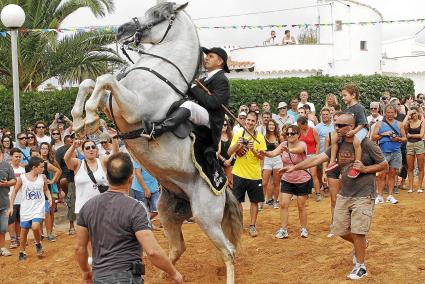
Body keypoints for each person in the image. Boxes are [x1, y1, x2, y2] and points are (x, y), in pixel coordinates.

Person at [282, 113, 388, 280]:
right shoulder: (337, 145)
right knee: (339, 230)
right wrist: (294, 168)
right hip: (345, 193)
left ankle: (361, 266)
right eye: (335, 125)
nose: (336, 128)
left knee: (358, 231)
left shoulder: (366, 144)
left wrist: (364, 169)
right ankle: (360, 245)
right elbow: (316, 159)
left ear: (351, 127)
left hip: (363, 194)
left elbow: (384, 165)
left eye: (340, 125)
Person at [75, 152, 182, 283]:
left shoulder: (87, 207)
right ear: (131, 179)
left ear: (107, 178)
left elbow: (79, 248)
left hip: (99, 278)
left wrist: (86, 270)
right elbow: (152, 251)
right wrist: (174, 273)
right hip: (126, 278)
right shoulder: (136, 208)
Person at [144, 47, 230, 154]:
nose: (206, 58)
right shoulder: (204, 79)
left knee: (189, 105)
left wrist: (194, 88)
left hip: (211, 119)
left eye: (210, 56)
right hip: (201, 113)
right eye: (206, 56)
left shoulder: (222, 79)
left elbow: (213, 103)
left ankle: (158, 130)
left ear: (220, 61)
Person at [261, 125, 310, 238]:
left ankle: (303, 228)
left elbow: (299, 150)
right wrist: (264, 153)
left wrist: (289, 150)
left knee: (301, 206)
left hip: (302, 179)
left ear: (298, 135)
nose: (289, 135)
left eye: (292, 133)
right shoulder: (283, 144)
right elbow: (273, 153)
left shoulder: (302, 144)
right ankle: (283, 229)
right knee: (283, 204)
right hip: (287, 179)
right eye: (287, 133)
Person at [228, 111, 266, 237]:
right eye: (248, 120)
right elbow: (229, 152)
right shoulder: (238, 134)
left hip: (254, 174)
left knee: (254, 201)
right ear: (245, 120)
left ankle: (253, 226)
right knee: (237, 201)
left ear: (256, 123)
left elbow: (262, 157)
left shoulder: (259, 137)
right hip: (239, 173)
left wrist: (253, 150)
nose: (249, 122)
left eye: (252, 121)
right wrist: (238, 145)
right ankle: (239, 225)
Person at [9, 156, 52, 261]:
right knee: (24, 232)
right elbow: (14, 192)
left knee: (35, 226)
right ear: (34, 167)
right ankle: (22, 251)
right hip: (26, 208)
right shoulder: (22, 178)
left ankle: (38, 243)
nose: (43, 169)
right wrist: (11, 206)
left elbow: (46, 189)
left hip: (38, 207)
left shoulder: (43, 177)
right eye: (41, 167)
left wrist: (50, 198)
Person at [326, 85, 369, 179]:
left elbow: (362, 123)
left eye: (345, 95)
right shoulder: (348, 108)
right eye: (342, 95)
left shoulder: (359, 107)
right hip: (351, 129)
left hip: (361, 129)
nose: (343, 97)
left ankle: (357, 166)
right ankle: (333, 161)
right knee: (334, 137)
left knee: (356, 141)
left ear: (353, 95)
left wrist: (354, 132)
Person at [372, 104, 406, 205]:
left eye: (392, 112)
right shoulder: (379, 124)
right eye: (388, 112)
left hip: (396, 151)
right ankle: (380, 196)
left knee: (392, 174)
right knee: (381, 175)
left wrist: (398, 139)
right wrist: (384, 134)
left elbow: (405, 138)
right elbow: (373, 137)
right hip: (383, 152)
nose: (390, 114)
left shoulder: (399, 124)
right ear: (384, 113)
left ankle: (390, 196)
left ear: (395, 113)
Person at [64, 139, 109, 216]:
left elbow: (116, 155)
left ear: (96, 149)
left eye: (93, 147)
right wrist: (73, 146)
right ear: (83, 151)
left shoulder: (102, 161)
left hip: (103, 208)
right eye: (87, 148)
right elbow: (66, 159)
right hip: (83, 208)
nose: (91, 149)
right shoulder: (78, 163)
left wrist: (114, 138)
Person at [39, 142, 61, 242]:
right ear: (40, 149)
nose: (44, 150)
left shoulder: (52, 161)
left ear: (49, 150)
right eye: (42, 148)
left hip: (52, 189)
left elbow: (59, 171)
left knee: (51, 211)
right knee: (40, 211)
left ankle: (50, 231)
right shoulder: (37, 161)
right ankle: (41, 233)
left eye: (46, 148)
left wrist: (53, 181)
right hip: (40, 190)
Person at [55, 134, 77, 235]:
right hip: (68, 177)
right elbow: (58, 166)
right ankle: (71, 225)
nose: (71, 144)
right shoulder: (60, 151)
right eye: (69, 142)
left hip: (80, 176)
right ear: (65, 142)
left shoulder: (80, 149)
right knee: (71, 200)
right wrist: (61, 179)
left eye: (72, 142)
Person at [297, 117, 321, 201]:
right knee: (304, 175)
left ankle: (318, 193)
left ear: (305, 124)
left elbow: (318, 142)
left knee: (313, 174)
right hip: (302, 156)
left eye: (300, 125)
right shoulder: (299, 131)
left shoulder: (313, 130)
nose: (299, 126)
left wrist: (316, 154)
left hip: (312, 155)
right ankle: (306, 192)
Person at [403, 107, 425, 193]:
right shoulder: (408, 122)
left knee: (420, 167)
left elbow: (421, 135)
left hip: (419, 144)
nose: (414, 115)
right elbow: (402, 125)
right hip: (409, 145)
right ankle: (411, 187)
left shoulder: (422, 122)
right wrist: (408, 114)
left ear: (418, 113)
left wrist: (410, 135)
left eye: (415, 113)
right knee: (410, 167)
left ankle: (419, 187)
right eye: (412, 114)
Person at [262, 119, 283, 209]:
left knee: (276, 182)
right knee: (264, 183)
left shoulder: (279, 137)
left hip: (277, 160)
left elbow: (283, 150)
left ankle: (275, 201)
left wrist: (277, 145)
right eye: (270, 125)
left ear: (275, 126)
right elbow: (262, 151)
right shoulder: (264, 137)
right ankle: (261, 202)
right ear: (267, 126)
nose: (271, 126)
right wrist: (261, 165)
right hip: (267, 160)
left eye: (273, 125)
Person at [7, 148, 25, 250]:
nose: (18, 158)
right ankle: (13, 239)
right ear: (11, 156)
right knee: (11, 219)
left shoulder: (23, 169)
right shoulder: (8, 168)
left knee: (19, 219)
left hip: (21, 198)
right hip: (10, 198)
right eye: (16, 156)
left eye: (19, 156)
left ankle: (19, 238)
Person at [0, 148, 17, 257]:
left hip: (4, 202)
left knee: (2, 228)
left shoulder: (6, 165)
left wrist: (6, 184)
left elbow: (14, 180)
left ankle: (2, 248)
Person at [218, 118, 235, 188]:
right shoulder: (217, 136)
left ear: (227, 125)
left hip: (230, 161)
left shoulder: (231, 135)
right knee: (221, 183)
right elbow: (217, 151)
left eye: (225, 124)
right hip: (220, 161)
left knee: (230, 182)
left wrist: (229, 160)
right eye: (221, 124)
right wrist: (224, 160)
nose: (223, 126)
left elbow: (235, 149)